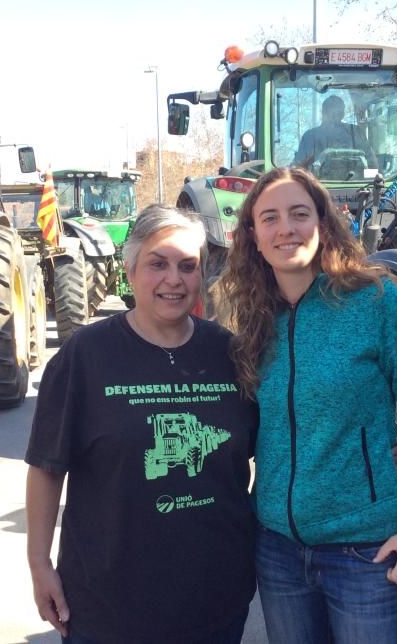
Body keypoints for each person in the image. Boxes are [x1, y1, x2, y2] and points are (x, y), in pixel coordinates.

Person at [217, 167, 397, 644]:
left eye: (300, 214)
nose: (286, 228)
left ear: (323, 224)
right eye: (270, 218)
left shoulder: (377, 301)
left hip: (367, 552)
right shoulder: (249, 320)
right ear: (253, 237)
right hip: (279, 553)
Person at [25, 204, 257, 644]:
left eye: (187, 267)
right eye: (157, 264)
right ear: (129, 271)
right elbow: (46, 465)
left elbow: (277, 441)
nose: (174, 279)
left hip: (214, 599)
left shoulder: (229, 354)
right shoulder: (86, 356)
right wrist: (39, 563)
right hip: (107, 604)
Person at [293, 95, 377, 170]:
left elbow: (373, 167)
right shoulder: (310, 137)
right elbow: (299, 168)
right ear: (323, 113)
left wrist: (367, 177)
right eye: (331, 114)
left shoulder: (355, 133)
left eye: (339, 114)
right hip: (317, 185)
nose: (335, 118)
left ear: (343, 114)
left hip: (357, 184)